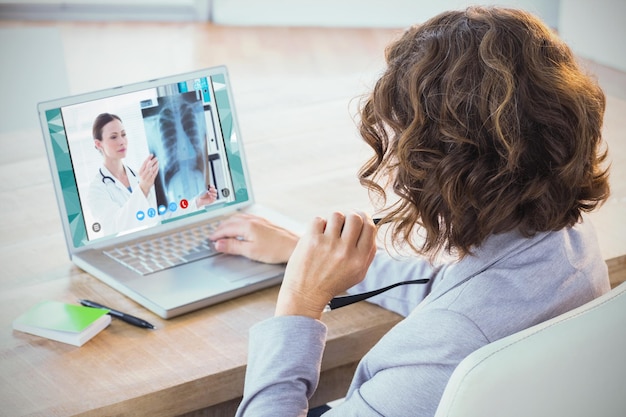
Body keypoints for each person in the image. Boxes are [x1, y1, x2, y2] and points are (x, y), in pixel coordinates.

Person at [209, 6, 611, 417]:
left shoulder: (445, 352)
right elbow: (451, 291)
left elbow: (452, 324)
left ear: (447, 165)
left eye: (404, 141)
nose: (399, 167)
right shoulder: (570, 243)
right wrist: (299, 252)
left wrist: (300, 300)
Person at [88, 113, 218, 236]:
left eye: (123, 134)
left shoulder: (138, 177)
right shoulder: (96, 190)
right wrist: (143, 189)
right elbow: (115, 228)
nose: (122, 141)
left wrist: (197, 203)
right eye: (114, 137)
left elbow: (163, 215)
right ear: (98, 144)